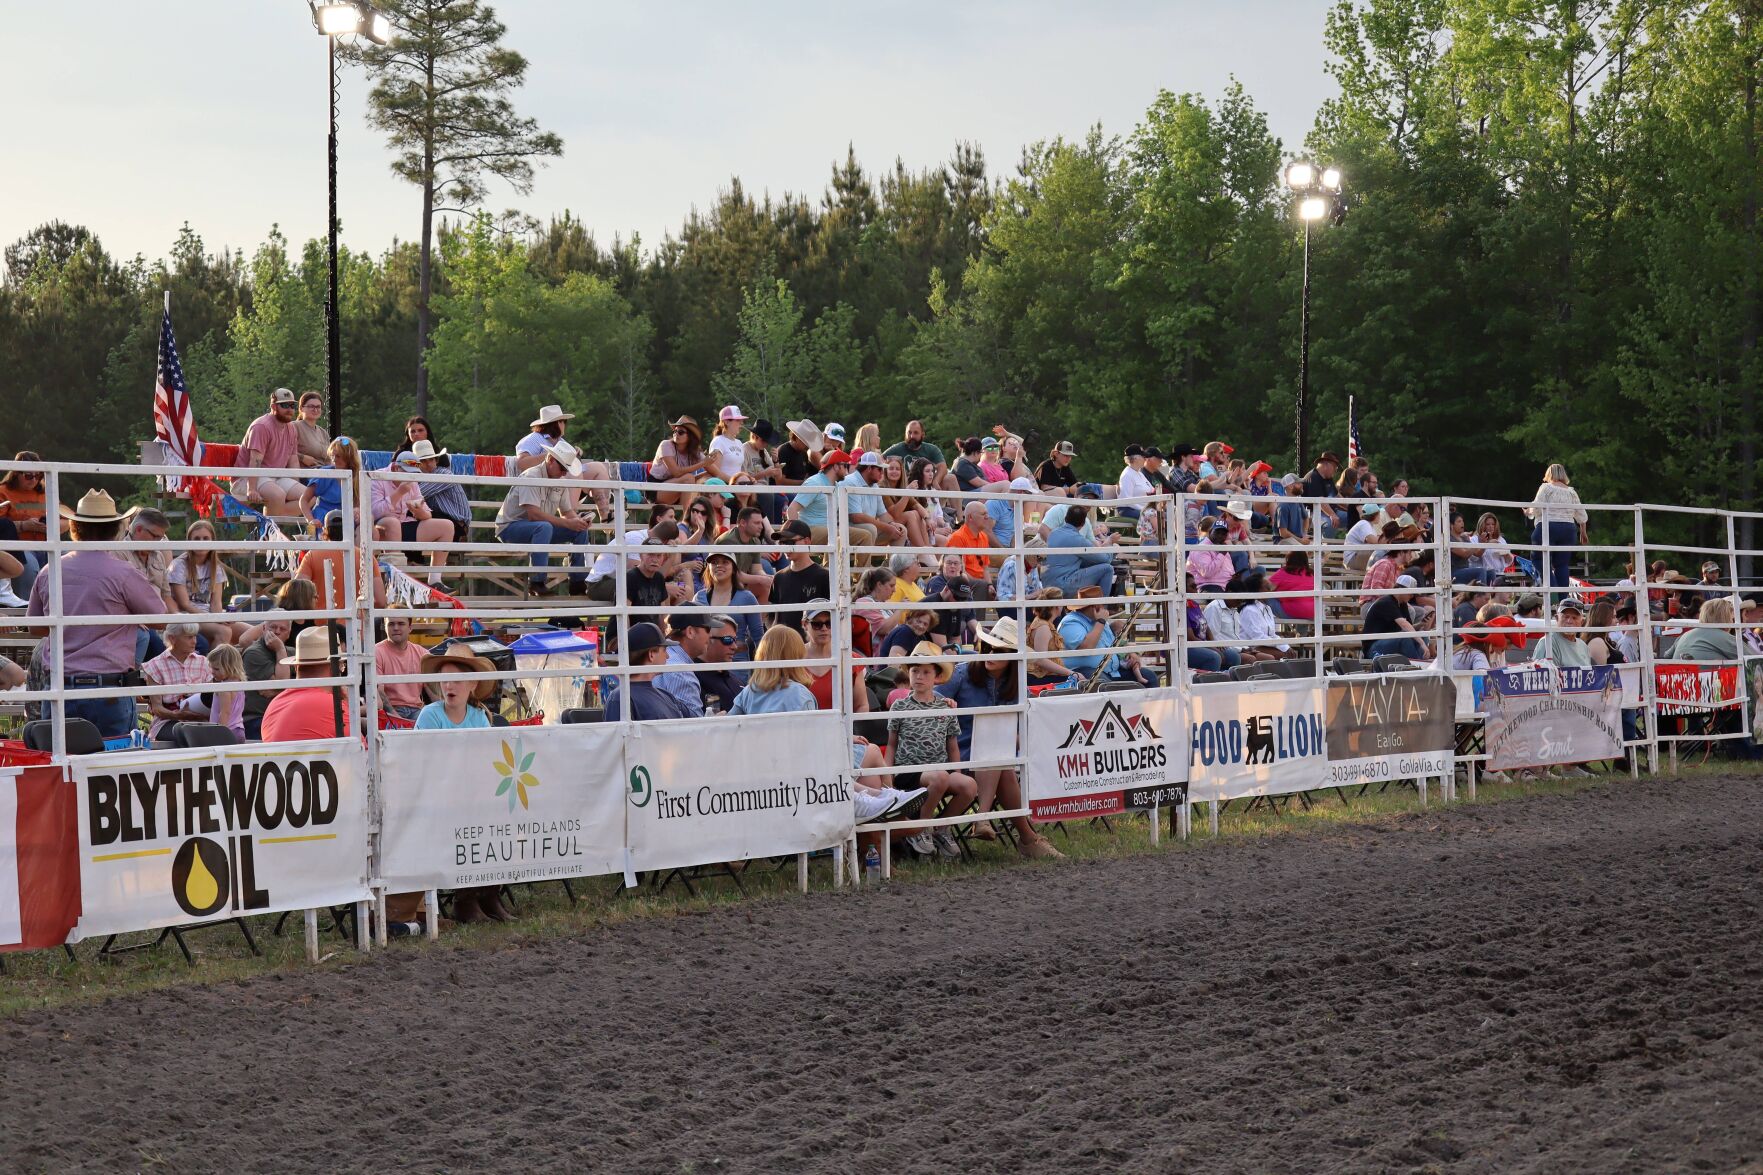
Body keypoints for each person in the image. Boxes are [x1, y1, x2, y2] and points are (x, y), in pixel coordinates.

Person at [25, 490, 165, 738]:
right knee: (111, 768)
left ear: (74, 527)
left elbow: (35, 627)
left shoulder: (50, 570)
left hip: (60, 687)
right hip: (108, 689)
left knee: (63, 769)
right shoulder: (123, 573)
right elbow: (159, 618)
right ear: (115, 530)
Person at [936, 619, 1062, 859]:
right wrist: (944, 704)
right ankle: (1026, 838)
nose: (990, 654)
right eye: (988, 647)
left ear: (1013, 656)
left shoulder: (1016, 685)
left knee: (998, 753)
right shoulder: (962, 672)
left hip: (996, 754)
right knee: (999, 755)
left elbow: (1023, 729)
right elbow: (932, 699)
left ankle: (987, 821)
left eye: (999, 650)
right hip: (958, 751)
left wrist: (1013, 738)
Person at [886, 643, 976, 860]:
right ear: (908, 673)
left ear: (936, 676)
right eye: (915, 670)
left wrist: (957, 772)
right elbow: (892, 744)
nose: (919, 676)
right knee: (941, 777)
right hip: (909, 771)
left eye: (926, 672)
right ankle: (920, 828)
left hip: (940, 771)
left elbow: (952, 745)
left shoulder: (945, 707)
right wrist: (887, 776)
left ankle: (941, 827)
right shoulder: (899, 706)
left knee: (969, 786)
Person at [493, 438, 594, 594]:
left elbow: (567, 512)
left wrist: (579, 522)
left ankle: (577, 582)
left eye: (566, 469)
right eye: (562, 468)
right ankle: (537, 580)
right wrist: (569, 523)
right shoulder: (531, 477)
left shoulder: (559, 479)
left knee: (579, 530)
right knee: (544, 527)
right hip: (509, 528)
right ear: (551, 460)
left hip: (537, 530)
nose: (564, 473)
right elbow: (534, 515)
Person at [294, 510, 389, 624]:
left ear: (325, 531)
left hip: (322, 631)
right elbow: (381, 601)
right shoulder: (366, 557)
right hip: (358, 630)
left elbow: (298, 594)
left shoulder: (312, 555)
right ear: (351, 530)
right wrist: (359, 611)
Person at [260, 626, 351, 741]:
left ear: (297, 667)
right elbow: (362, 750)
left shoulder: (276, 702)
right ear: (335, 668)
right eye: (342, 667)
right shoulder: (332, 705)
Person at [169, 518, 249, 647]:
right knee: (224, 631)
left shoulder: (216, 567)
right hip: (188, 616)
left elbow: (216, 603)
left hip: (209, 615)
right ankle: (211, 667)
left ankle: (240, 665)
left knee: (251, 633)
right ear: (189, 541)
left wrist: (220, 618)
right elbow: (184, 604)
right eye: (197, 539)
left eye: (206, 538)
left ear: (212, 541)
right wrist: (214, 619)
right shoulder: (179, 565)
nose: (201, 542)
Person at [1059, 586, 1153, 683]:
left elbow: (1114, 644)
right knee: (1103, 685)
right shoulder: (1071, 622)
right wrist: (1101, 621)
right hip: (1084, 671)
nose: (1104, 607)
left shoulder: (1099, 620)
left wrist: (1130, 654)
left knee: (1149, 676)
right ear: (1095, 607)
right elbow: (1086, 647)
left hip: (1111, 671)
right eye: (1102, 604)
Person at [237, 388, 306, 514]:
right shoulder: (261, 426)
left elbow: (293, 460)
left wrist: (294, 484)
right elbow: (255, 460)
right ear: (273, 406)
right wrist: (251, 489)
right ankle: (271, 528)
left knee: (308, 497)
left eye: (292, 405)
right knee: (278, 496)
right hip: (248, 478)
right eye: (284, 405)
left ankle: (271, 522)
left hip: (276, 477)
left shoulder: (291, 428)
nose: (290, 409)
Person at [142, 622, 213, 743]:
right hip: (168, 722)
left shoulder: (204, 662)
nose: (194, 641)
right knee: (190, 736)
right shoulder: (155, 665)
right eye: (189, 637)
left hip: (202, 720)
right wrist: (178, 715)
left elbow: (212, 699)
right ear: (172, 638)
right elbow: (157, 708)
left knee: (210, 734)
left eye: (195, 636)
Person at [729, 625, 820, 715]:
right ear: (797, 656)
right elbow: (811, 727)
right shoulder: (801, 694)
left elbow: (728, 724)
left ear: (762, 655)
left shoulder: (749, 692)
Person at [1525, 462, 1588, 591]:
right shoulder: (1571, 492)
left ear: (1549, 474)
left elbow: (1536, 508)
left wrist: (1528, 512)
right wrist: (1583, 532)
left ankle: (1552, 589)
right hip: (1568, 529)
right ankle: (1562, 599)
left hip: (1548, 527)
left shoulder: (1546, 488)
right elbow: (1581, 515)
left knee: (1538, 559)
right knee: (1562, 565)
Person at [613, 621, 690, 721]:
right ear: (651, 655)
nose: (668, 656)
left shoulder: (665, 695)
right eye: (664, 650)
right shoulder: (620, 698)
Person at [802, 600, 868, 713]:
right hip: (803, 728)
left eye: (829, 623)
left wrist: (850, 729)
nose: (824, 628)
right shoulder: (793, 656)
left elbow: (862, 706)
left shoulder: (851, 659)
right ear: (805, 625)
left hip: (839, 728)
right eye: (817, 624)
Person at [695, 550, 763, 661]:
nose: (719, 566)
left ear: (734, 569)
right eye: (714, 562)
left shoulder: (747, 597)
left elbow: (759, 638)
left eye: (725, 562)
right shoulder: (699, 597)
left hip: (736, 666)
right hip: (705, 666)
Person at [769, 520, 831, 634]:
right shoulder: (779, 577)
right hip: (784, 645)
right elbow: (774, 617)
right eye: (782, 543)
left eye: (790, 542)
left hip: (812, 646)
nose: (785, 547)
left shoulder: (824, 576)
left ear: (807, 541)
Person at [411, 439, 472, 550]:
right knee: (412, 514)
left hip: (458, 526)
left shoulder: (443, 474)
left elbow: (415, 495)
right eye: (424, 461)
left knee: (411, 513)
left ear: (436, 460)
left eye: (431, 459)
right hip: (449, 522)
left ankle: (413, 558)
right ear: (417, 464)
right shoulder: (424, 478)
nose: (429, 464)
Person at [1041, 503, 1113, 597]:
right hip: (1063, 584)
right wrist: (1109, 542)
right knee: (1108, 569)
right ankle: (1101, 609)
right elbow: (1106, 559)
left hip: (1047, 583)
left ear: (1066, 518)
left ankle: (1088, 608)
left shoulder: (1053, 533)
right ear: (1083, 524)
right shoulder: (1078, 539)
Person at [240, 616, 291, 740]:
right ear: (264, 628)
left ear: (289, 634)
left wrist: (281, 689)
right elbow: (283, 684)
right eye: (273, 627)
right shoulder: (253, 653)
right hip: (257, 719)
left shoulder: (293, 652)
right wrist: (280, 649)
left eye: (282, 629)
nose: (277, 631)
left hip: (282, 716)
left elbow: (281, 688)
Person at [843, 452, 905, 554]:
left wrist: (892, 524)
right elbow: (856, 517)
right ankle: (863, 569)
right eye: (879, 469)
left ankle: (893, 567)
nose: (882, 473)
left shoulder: (874, 485)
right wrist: (886, 527)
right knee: (870, 529)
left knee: (901, 530)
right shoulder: (850, 482)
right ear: (869, 468)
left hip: (865, 529)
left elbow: (883, 514)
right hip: (846, 529)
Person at [713, 505, 774, 604]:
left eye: (761, 523)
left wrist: (767, 578)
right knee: (757, 583)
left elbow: (757, 569)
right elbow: (732, 575)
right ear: (743, 523)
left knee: (765, 586)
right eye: (757, 523)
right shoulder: (728, 541)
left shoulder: (755, 540)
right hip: (723, 585)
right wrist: (761, 579)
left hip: (740, 583)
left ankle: (760, 619)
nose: (761, 527)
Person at [375, 609, 427, 721]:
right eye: (391, 624)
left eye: (401, 623)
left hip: (417, 710)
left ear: (410, 628)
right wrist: (397, 718)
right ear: (385, 627)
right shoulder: (376, 651)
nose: (396, 628)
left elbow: (433, 689)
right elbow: (379, 691)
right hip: (390, 710)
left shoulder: (422, 653)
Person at [299, 436, 362, 529]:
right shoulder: (325, 474)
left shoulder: (357, 476)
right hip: (322, 519)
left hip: (345, 520)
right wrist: (311, 520)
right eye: (332, 455)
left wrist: (357, 511)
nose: (334, 459)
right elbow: (303, 500)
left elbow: (358, 505)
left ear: (348, 458)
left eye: (338, 456)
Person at [651, 415, 715, 508]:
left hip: (677, 488)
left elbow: (715, 471)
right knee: (689, 478)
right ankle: (687, 519)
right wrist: (703, 464)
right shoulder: (666, 445)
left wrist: (732, 480)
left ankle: (704, 515)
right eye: (675, 431)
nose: (676, 434)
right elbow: (676, 472)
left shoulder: (695, 452)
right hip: (655, 489)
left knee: (708, 476)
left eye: (680, 432)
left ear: (690, 436)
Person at [1363, 575, 1430, 661]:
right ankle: (1417, 664)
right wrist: (1422, 644)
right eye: (1411, 593)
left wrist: (1421, 624)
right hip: (1373, 647)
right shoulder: (1387, 602)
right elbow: (1404, 625)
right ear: (1402, 590)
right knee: (1405, 639)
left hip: (1387, 641)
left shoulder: (1401, 603)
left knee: (1421, 635)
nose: (1412, 596)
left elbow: (1409, 628)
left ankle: (1419, 662)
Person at [654, 614, 708, 717]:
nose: (709, 636)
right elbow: (694, 726)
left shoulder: (665, 655)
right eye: (707, 629)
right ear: (690, 632)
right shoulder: (682, 672)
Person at [1671, 596, 1741, 664]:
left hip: (1677, 673)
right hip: (1710, 675)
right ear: (1725, 618)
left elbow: (1666, 656)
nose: (1732, 622)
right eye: (1732, 619)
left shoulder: (1684, 635)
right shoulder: (1725, 638)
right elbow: (1750, 656)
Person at [696, 615, 744, 712]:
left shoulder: (733, 679)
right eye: (728, 640)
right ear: (708, 640)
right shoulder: (694, 679)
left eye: (735, 640)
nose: (734, 646)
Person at [945, 500, 999, 586]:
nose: (987, 517)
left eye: (987, 514)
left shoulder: (983, 537)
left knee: (999, 584)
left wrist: (989, 585)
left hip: (980, 583)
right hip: (964, 583)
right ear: (970, 517)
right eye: (983, 514)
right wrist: (981, 584)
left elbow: (985, 568)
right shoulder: (958, 537)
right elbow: (960, 571)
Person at [882, 420, 947, 488]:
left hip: (925, 484)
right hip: (904, 485)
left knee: (951, 478)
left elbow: (942, 467)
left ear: (922, 435)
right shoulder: (897, 448)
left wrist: (935, 481)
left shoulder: (931, 449)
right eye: (909, 433)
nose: (912, 436)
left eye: (916, 433)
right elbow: (880, 460)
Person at [206, 643, 248, 741]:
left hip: (227, 730)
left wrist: (219, 734)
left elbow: (225, 712)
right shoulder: (239, 683)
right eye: (211, 667)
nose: (212, 671)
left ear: (230, 667)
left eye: (216, 669)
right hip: (239, 729)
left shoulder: (224, 688)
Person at [515, 404, 574, 471]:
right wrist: (551, 455)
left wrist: (575, 455)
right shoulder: (534, 438)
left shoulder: (561, 441)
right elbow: (521, 463)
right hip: (533, 480)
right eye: (564, 421)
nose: (564, 425)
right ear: (557, 423)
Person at [1298, 451, 1344, 537]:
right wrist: (1332, 514)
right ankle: (1325, 548)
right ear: (1326, 464)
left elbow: (1337, 496)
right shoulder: (1313, 477)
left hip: (1331, 511)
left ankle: (1354, 546)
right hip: (1313, 513)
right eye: (1335, 467)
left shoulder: (1328, 477)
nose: (1336, 470)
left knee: (1353, 517)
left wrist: (1352, 507)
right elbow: (1320, 501)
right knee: (1329, 524)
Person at [852, 566, 901, 645]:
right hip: (875, 655)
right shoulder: (864, 604)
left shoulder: (884, 605)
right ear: (879, 585)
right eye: (891, 586)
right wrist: (900, 609)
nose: (894, 590)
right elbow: (883, 629)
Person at [1267, 549, 1316, 624]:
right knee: (1303, 607)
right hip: (1311, 613)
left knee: (1266, 596)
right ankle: (1303, 634)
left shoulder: (1284, 572)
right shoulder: (1311, 573)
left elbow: (1267, 588)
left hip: (1290, 612)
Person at [293, 390, 331, 469]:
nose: (315, 410)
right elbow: (283, 451)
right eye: (311, 406)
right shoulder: (294, 427)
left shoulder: (323, 433)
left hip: (324, 472)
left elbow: (328, 460)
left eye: (318, 407)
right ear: (301, 408)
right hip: (305, 474)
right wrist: (302, 457)